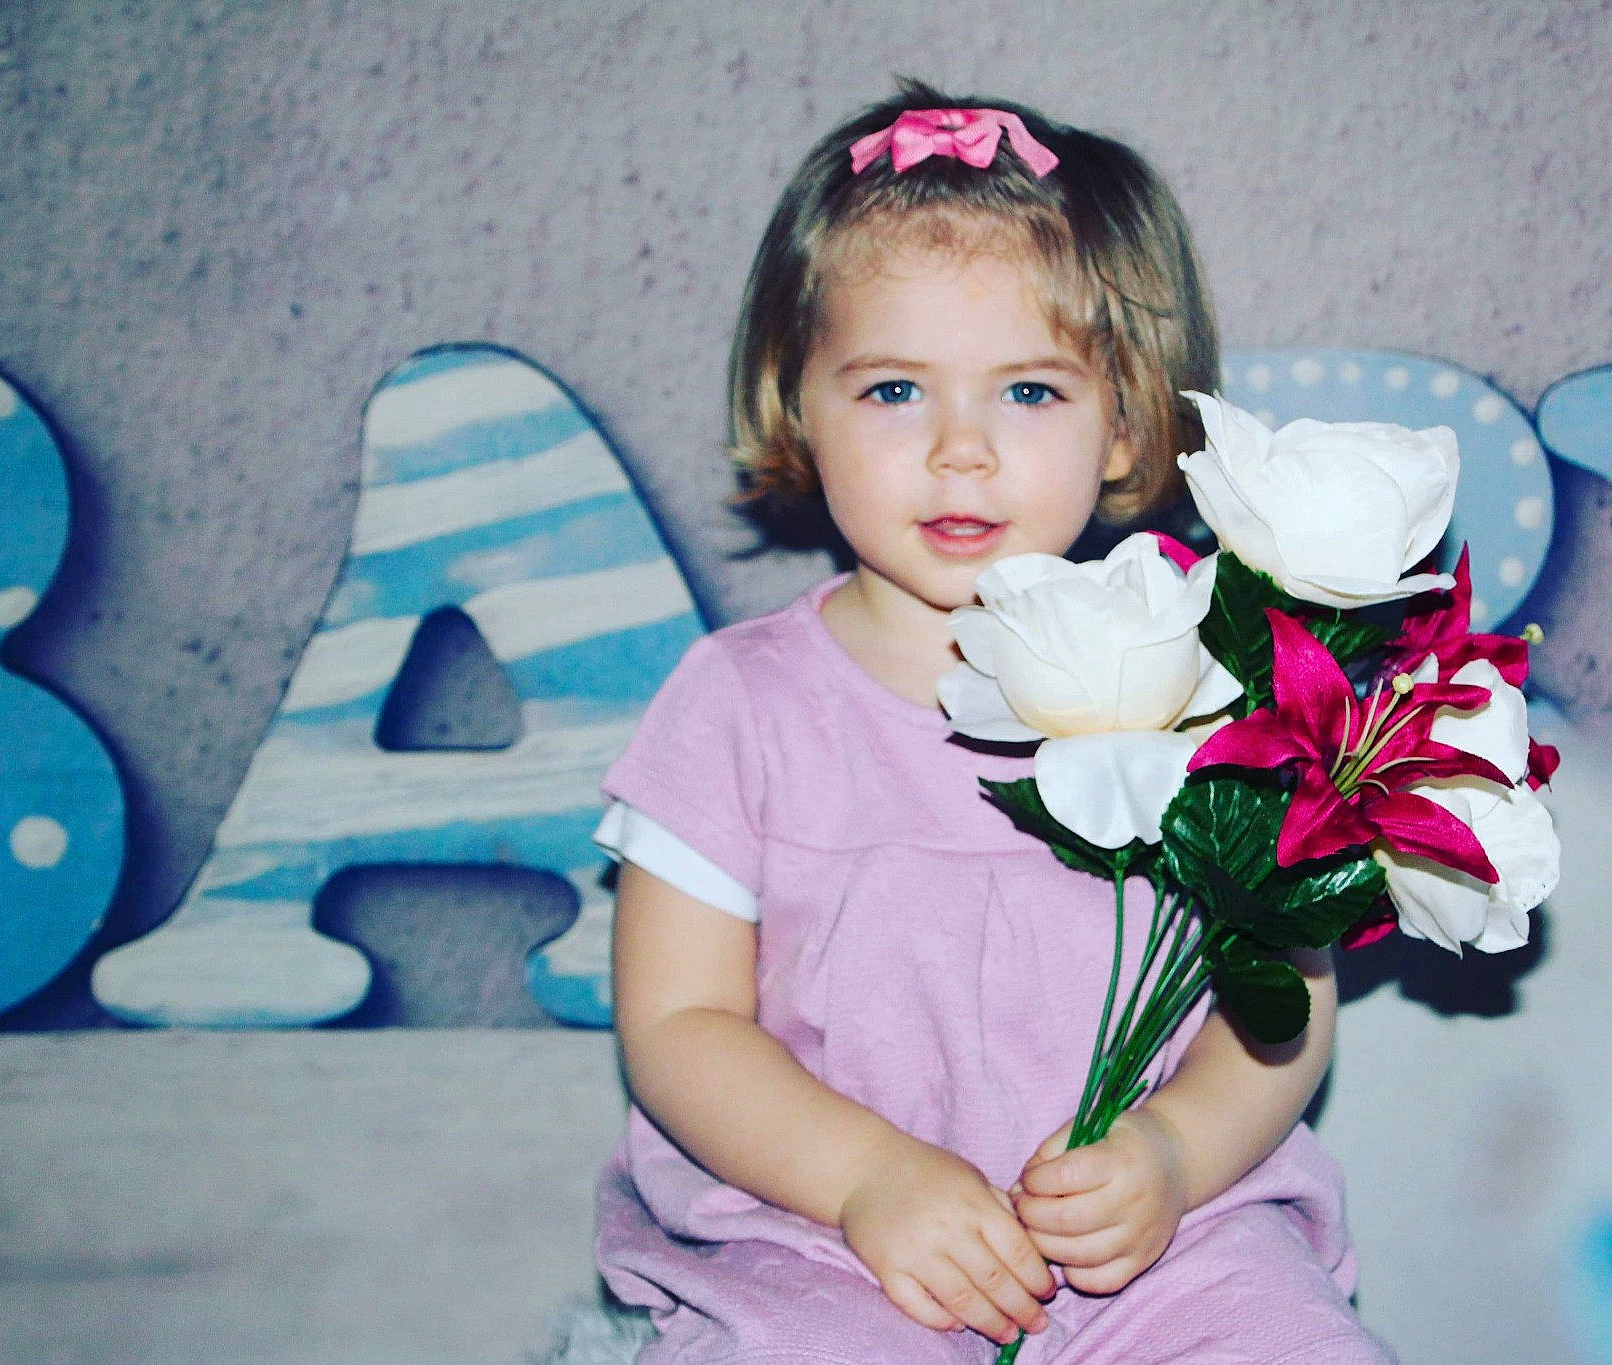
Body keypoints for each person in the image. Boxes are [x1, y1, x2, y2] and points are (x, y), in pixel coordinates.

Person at [591, 80, 1395, 1364]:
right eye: (893, 391)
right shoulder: (737, 704)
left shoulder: (1208, 694)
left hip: (1161, 1250)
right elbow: (679, 1026)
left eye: (1027, 393)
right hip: (820, 1240)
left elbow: (1282, 1000)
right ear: (793, 398)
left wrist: (1172, 1152)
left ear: (1124, 418)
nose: (959, 451)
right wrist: (865, 1178)